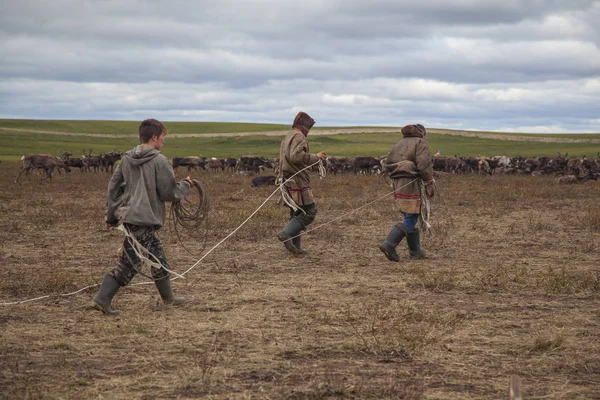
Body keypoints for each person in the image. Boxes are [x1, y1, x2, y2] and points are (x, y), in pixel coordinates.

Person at [92, 118, 194, 315]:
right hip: (143, 220)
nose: (164, 141)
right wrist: (186, 185)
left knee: (158, 257)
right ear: (154, 137)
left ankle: (169, 298)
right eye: (163, 137)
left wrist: (111, 216)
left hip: (131, 217)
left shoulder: (126, 159)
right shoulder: (160, 160)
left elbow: (113, 188)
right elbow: (169, 193)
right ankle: (101, 299)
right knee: (130, 263)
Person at [379, 124, 434, 262]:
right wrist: (429, 181)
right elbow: (423, 163)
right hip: (412, 182)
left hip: (397, 182)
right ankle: (389, 244)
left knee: (408, 214)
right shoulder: (420, 142)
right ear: (422, 132)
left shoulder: (399, 143)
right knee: (412, 216)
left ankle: (415, 251)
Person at [276, 111, 326, 255]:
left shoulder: (288, 136)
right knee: (309, 211)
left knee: (297, 212)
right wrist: (315, 157)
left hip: (287, 180)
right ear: (304, 127)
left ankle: (296, 248)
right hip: (298, 181)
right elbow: (296, 157)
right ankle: (286, 234)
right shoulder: (299, 136)